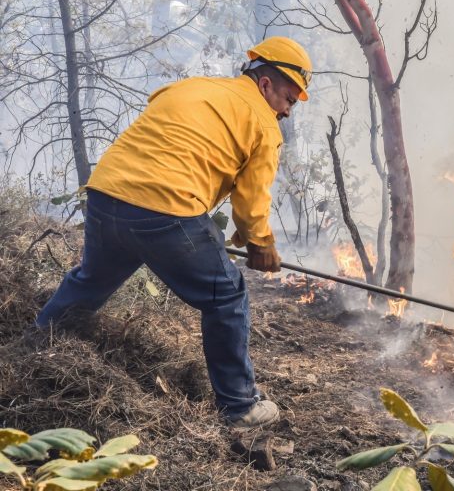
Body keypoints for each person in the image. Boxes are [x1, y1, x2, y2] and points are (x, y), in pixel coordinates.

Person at [34, 36, 312, 428]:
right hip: (166, 209)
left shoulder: (192, 86)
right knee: (226, 295)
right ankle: (240, 407)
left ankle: (34, 344)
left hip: (106, 193)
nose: (288, 110)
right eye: (289, 97)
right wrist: (261, 244)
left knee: (91, 280)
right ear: (266, 84)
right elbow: (250, 207)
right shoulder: (263, 124)